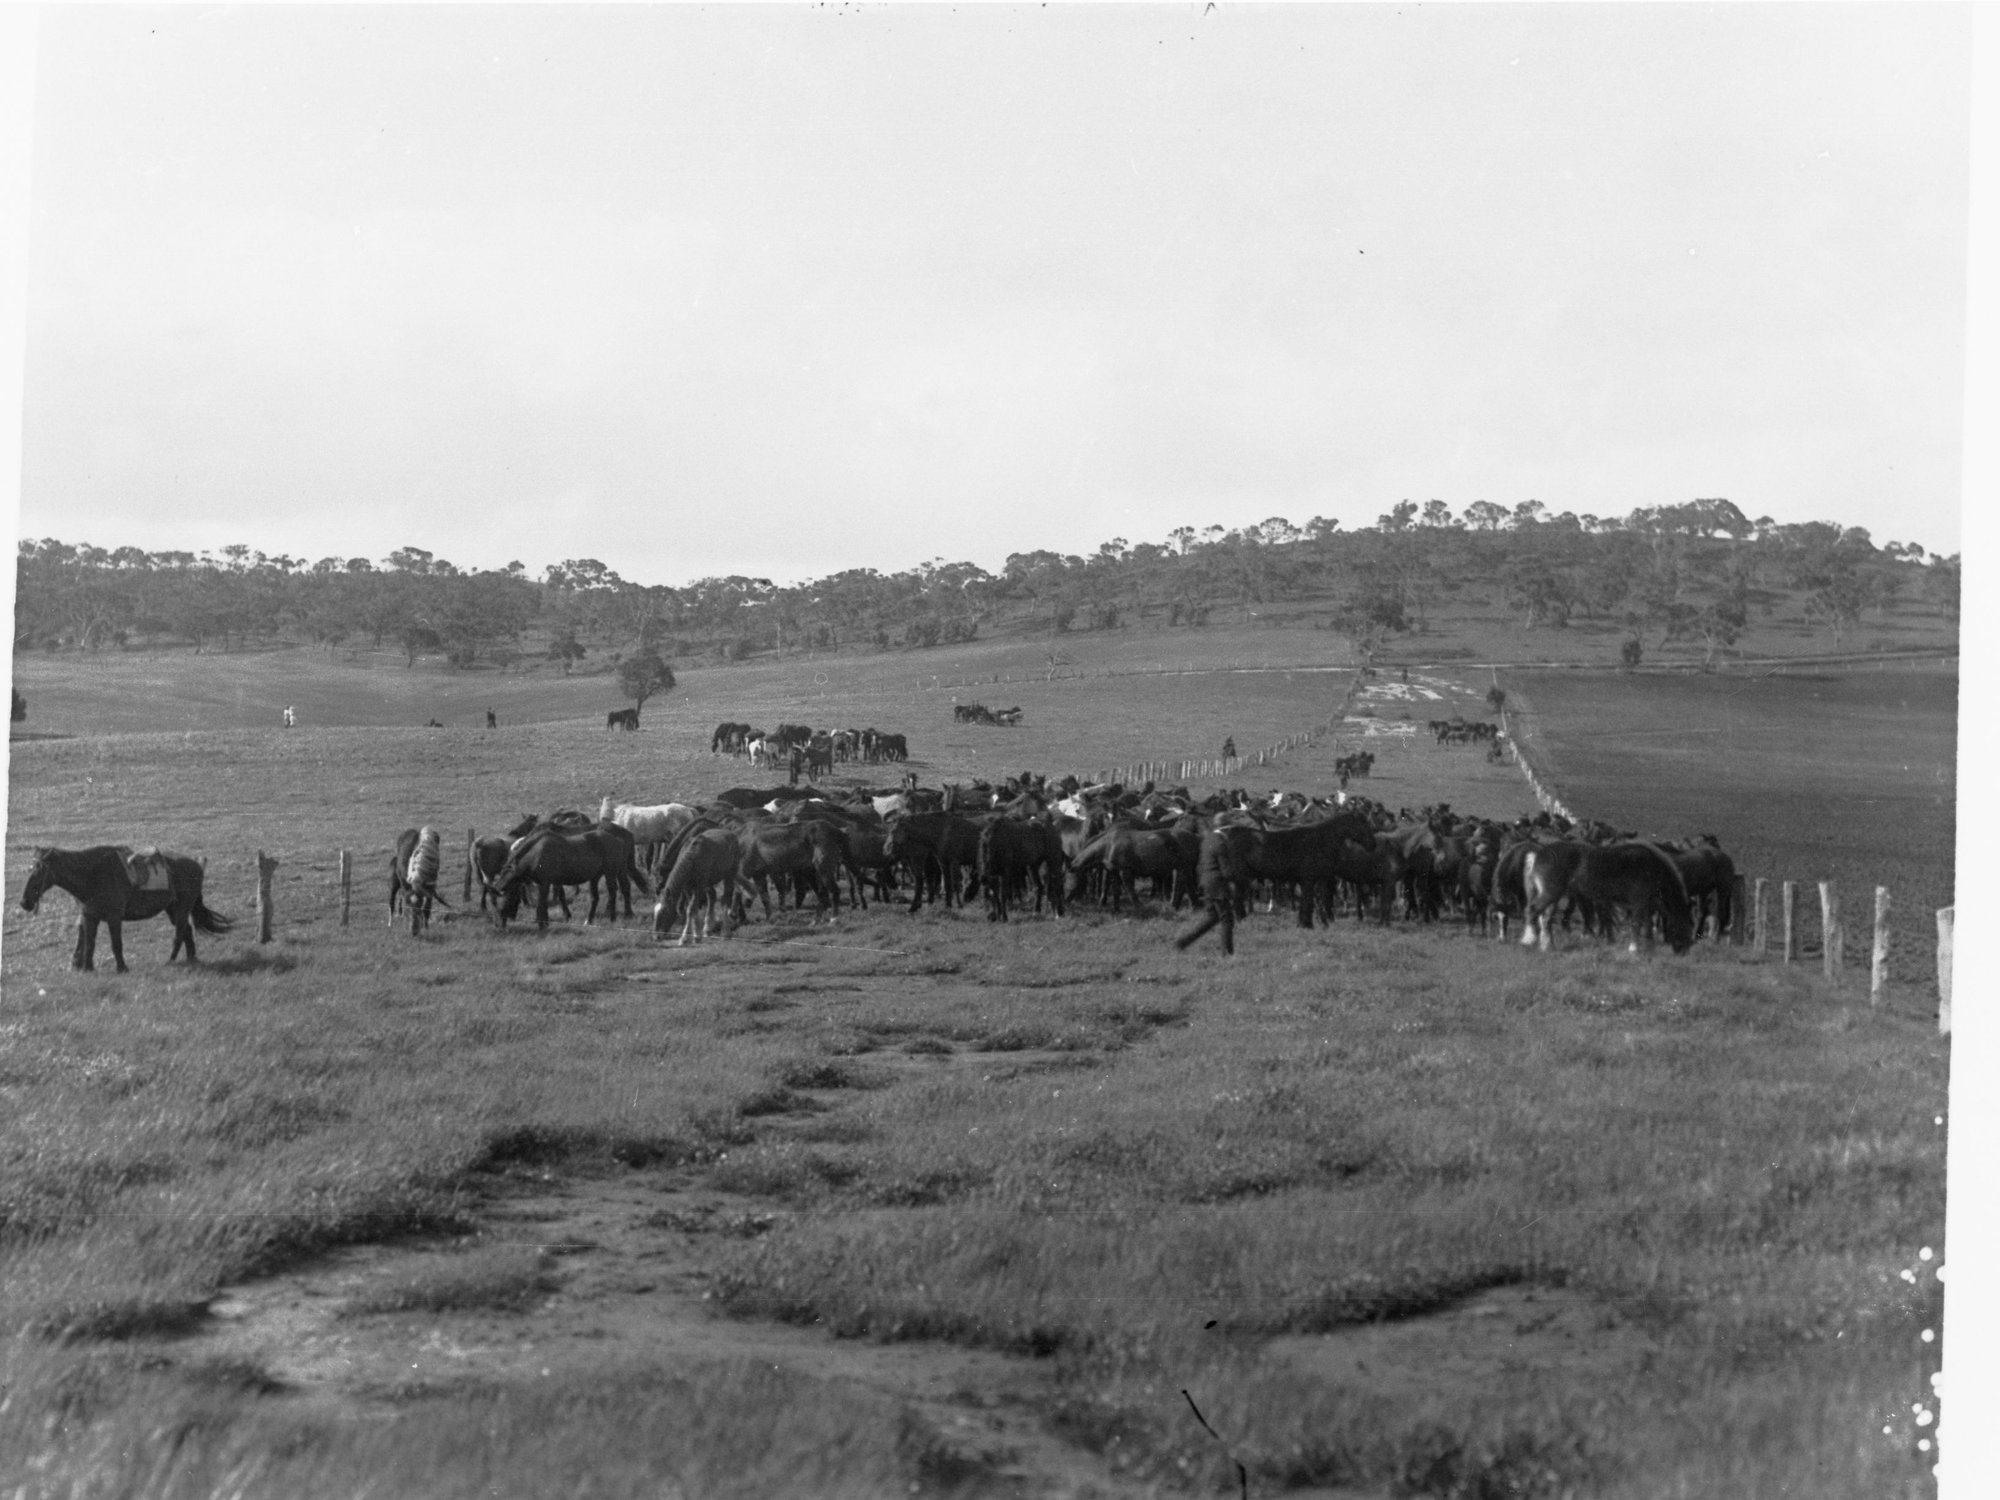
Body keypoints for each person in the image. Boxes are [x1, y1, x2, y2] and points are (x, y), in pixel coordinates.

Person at [1174, 828, 1246, 956]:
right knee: (1227, 918)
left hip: (1206, 882)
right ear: (1226, 828)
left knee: (1212, 918)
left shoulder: (1207, 840)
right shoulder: (1221, 843)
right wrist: (1244, 882)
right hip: (1217, 885)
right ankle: (1227, 954)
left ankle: (1183, 942)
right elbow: (1226, 871)